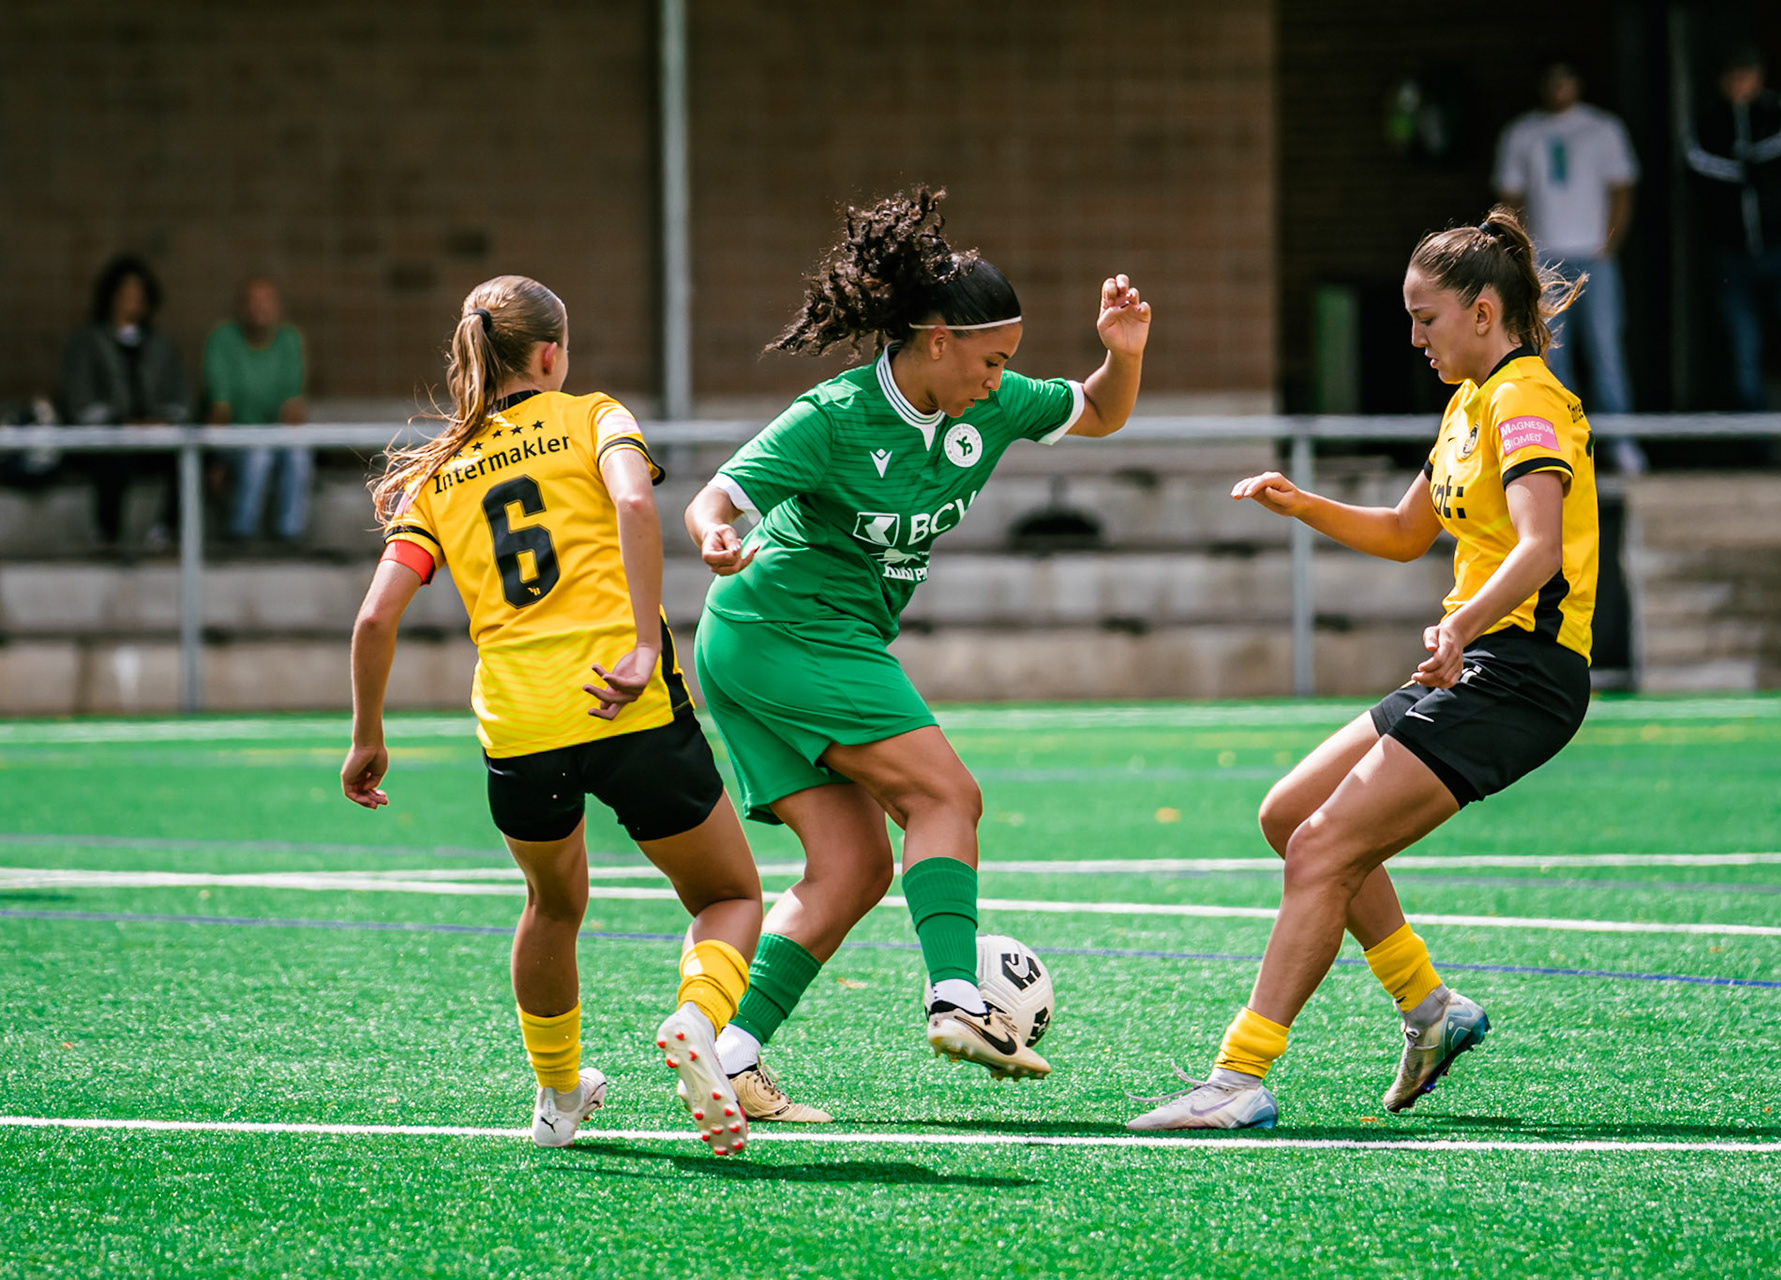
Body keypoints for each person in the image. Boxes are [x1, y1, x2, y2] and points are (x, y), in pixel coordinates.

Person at [683, 187, 1150, 1121]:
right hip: (781, 626)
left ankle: (728, 1052)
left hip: (798, 640)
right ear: (936, 339)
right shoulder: (834, 415)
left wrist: (1123, 354)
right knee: (947, 796)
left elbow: (1099, 413)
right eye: (990, 358)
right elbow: (717, 497)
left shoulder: (993, 402)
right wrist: (711, 536)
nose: (1000, 377)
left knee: (851, 870)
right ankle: (957, 1000)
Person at [1128, 208, 1596, 1130]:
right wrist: (1301, 504)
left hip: (1524, 673)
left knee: (1321, 848)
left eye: (1427, 318)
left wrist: (1460, 624)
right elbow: (1403, 532)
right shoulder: (1470, 403)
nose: (1415, 336)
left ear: (1483, 311)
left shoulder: (1526, 399)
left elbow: (1540, 547)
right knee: (1291, 815)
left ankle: (1240, 1078)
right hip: (1483, 661)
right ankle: (1430, 1008)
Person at [341, 275, 763, 1156]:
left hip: (520, 723)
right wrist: (645, 644)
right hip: (624, 698)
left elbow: (376, 616)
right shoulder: (592, 416)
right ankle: (696, 1018)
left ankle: (560, 1098)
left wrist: (368, 736)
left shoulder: (441, 471)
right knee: (728, 893)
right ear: (549, 355)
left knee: (551, 903)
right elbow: (636, 501)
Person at [1494, 61, 1644, 474]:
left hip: (1594, 256)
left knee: (1606, 349)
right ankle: (1562, 443)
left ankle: (1620, 442)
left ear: (1578, 83)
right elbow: (1509, 200)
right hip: (1543, 258)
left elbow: (1623, 189)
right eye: (1552, 81)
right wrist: (1521, 255)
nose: (1559, 88)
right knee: (1549, 355)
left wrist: (1609, 246)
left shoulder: (1603, 128)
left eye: (1566, 79)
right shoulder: (1523, 133)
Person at [1685, 44, 1781, 414]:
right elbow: (1698, 161)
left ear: (1760, 75)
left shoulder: (1779, 108)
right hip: (1734, 256)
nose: (1739, 82)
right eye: (1732, 75)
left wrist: (1747, 161)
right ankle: (1756, 455)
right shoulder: (1709, 120)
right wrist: (1741, 169)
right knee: (1743, 355)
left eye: (1746, 74)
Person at [58, 255, 193, 548]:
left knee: (189, 457)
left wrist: (162, 419)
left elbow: (181, 397)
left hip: (154, 438)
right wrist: (120, 422)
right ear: (109, 297)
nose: (131, 301)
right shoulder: (87, 342)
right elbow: (79, 401)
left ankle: (166, 531)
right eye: (124, 294)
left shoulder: (160, 345)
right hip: (107, 439)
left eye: (138, 294)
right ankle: (108, 535)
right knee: (114, 457)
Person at [206, 276, 311, 542]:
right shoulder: (223, 338)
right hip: (234, 438)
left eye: (266, 302)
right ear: (240, 308)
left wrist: (287, 436)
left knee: (298, 455)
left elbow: (293, 407)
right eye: (252, 302)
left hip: (275, 436)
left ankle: (290, 535)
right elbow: (220, 408)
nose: (258, 309)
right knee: (258, 455)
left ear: (278, 308)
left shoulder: (289, 340)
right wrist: (215, 461)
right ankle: (240, 534)